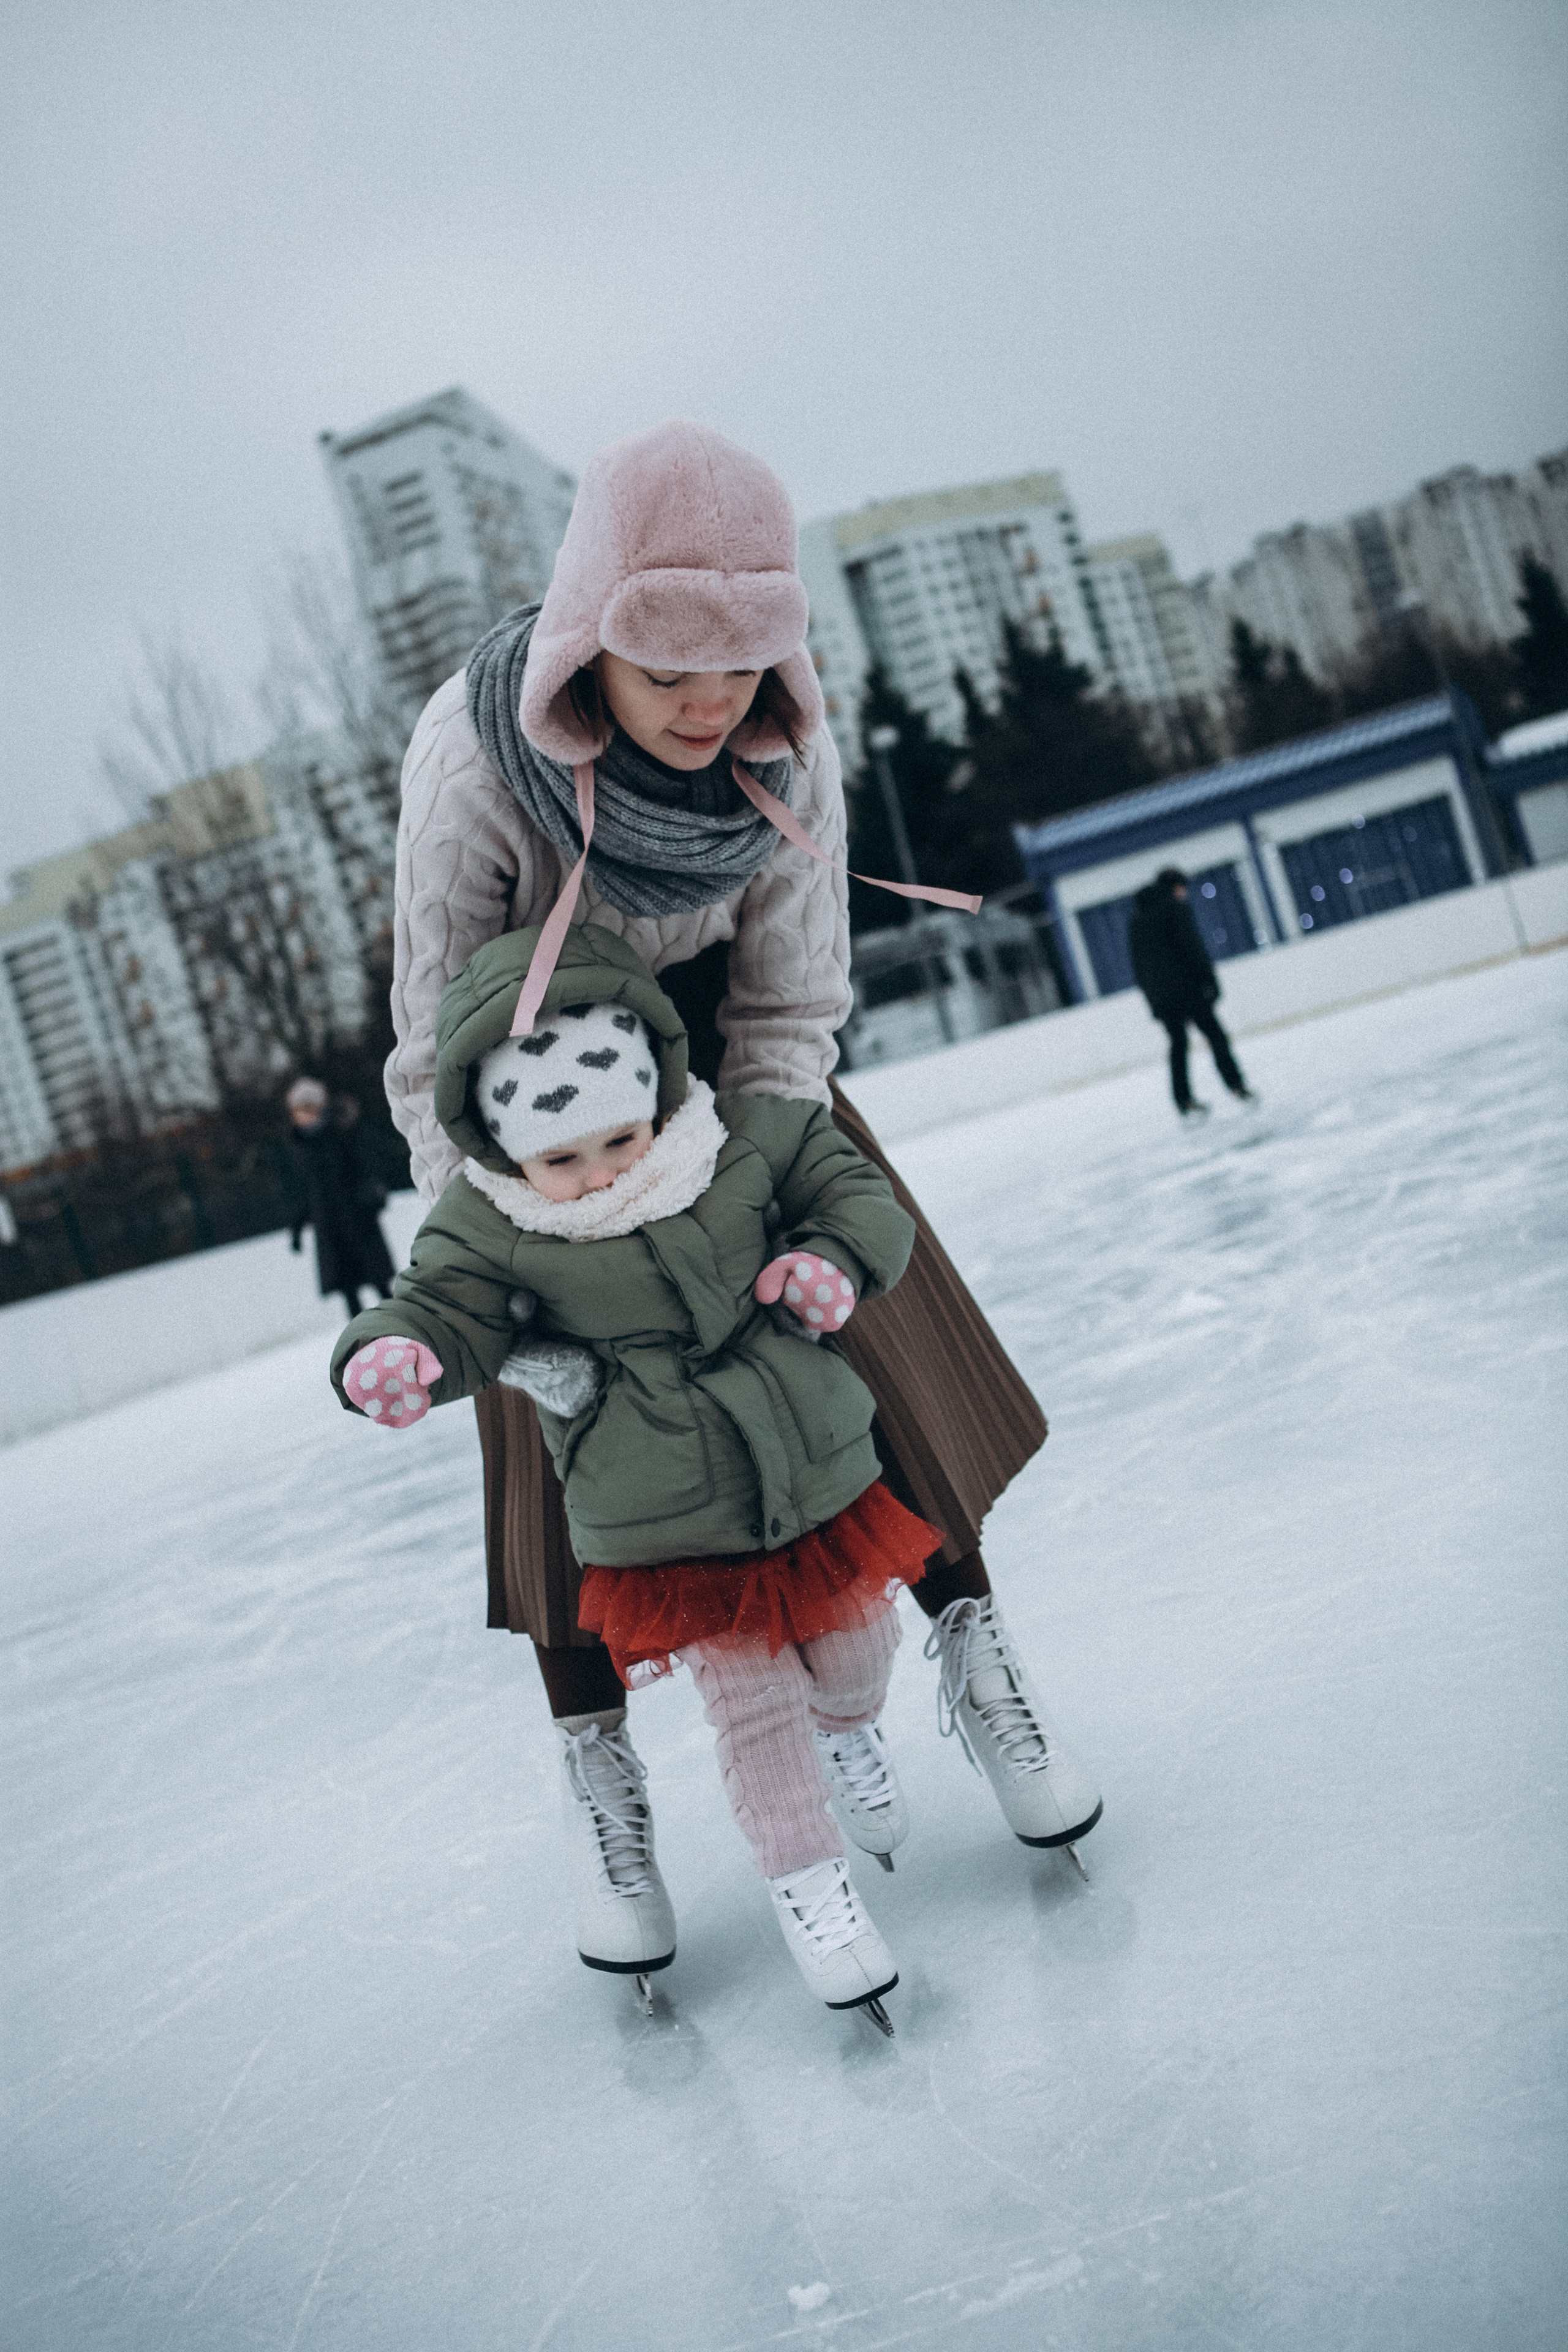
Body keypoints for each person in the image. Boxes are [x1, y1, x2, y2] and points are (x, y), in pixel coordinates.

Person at [383, 419, 1102, 1981]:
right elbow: (429, 1031)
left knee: (868, 1354)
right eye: (670, 682)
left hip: (734, 1067)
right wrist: (491, 1265)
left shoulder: (784, 733)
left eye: (739, 675)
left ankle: (973, 1653)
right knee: (562, 1447)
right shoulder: (471, 756)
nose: (711, 710)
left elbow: (786, 1005)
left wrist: (769, 1186)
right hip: (535, 1119)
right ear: (589, 654)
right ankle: (600, 1773)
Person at [333, 922, 992, 2026]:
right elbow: (436, 1305)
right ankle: (809, 1888)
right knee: (753, 1714)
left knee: (856, 1661)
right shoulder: (493, 1224)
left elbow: (855, 1191)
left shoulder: (740, 1139)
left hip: (817, 1477)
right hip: (665, 1521)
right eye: (561, 1158)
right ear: (501, 1145)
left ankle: (853, 1734)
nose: (597, 1175)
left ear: (655, 1085)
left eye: (620, 1138)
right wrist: (393, 1355)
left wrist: (830, 1260)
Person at [1127, 868, 1254, 1118]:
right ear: (1175, 888)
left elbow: (1139, 967)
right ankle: (1236, 1086)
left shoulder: (1137, 922)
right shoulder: (1176, 910)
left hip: (1163, 998)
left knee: (1178, 1045)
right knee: (1216, 1037)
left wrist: (1153, 1001)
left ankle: (1183, 1100)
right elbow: (1192, 948)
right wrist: (1210, 982)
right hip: (1189, 991)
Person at [284, 1077, 396, 1317]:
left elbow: (366, 1167)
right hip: (330, 1228)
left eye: (302, 1110)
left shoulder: (342, 1133)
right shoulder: (301, 1146)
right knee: (348, 1289)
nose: (297, 1116)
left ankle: (399, 1322)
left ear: (315, 1108)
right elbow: (306, 1193)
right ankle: (361, 1339)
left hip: (358, 1219)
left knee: (379, 1281)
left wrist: (373, 1197)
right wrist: (297, 1229)